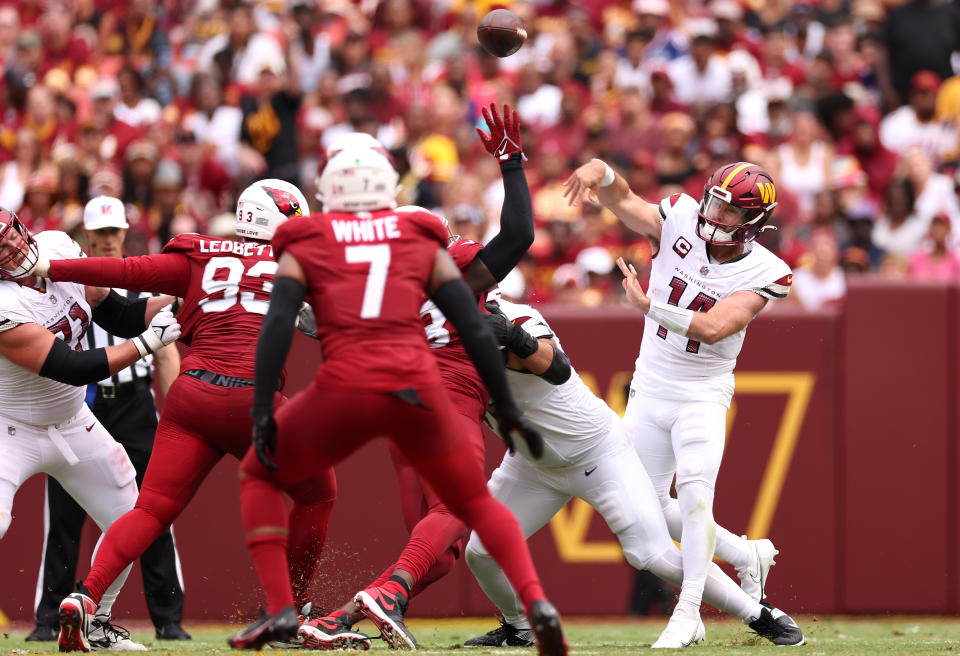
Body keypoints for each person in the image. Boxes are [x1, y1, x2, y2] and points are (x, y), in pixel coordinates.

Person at [227, 145, 567, 656]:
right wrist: (510, 408)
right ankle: (534, 602)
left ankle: (288, 610)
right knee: (467, 501)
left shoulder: (311, 238)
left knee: (261, 477)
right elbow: (477, 321)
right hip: (424, 391)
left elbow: (282, 322)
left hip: (348, 385)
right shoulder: (420, 242)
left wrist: (261, 408)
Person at [16, 180, 337, 653]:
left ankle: (86, 597)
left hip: (193, 394)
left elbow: (123, 271)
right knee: (318, 493)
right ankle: (294, 610)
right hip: (253, 400)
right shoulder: (299, 265)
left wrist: (46, 265)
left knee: (149, 509)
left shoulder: (200, 254)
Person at [298, 106, 539, 651]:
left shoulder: (374, 281)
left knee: (440, 545)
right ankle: (386, 597)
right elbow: (519, 233)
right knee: (460, 508)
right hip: (447, 397)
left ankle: (340, 619)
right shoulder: (449, 263)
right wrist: (511, 164)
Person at [462, 297, 804, 648]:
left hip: (597, 451)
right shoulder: (438, 339)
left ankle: (760, 615)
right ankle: (520, 627)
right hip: (531, 464)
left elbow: (555, 365)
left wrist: (513, 337)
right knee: (481, 550)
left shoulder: (511, 315)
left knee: (652, 555)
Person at [562, 159, 793, 647]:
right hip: (649, 387)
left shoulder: (767, 270)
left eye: (732, 212)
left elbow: (715, 327)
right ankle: (745, 554)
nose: (717, 214)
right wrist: (599, 171)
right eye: (716, 201)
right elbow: (624, 200)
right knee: (641, 501)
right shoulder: (681, 217)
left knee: (694, 494)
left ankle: (688, 611)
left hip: (702, 395)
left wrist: (651, 307)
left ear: (753, 223)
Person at [0, 209, 182, 651]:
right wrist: (146, 345)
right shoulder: (4, 304)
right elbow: (69, 367)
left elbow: (117, 313)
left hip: (73, 422)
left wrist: (185, 301)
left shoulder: (60, 247)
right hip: (12, 428)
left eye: (12, 238)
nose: (13, 251)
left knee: (130, 520)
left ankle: (94, 622)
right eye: (0, 251)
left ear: (24, 228)